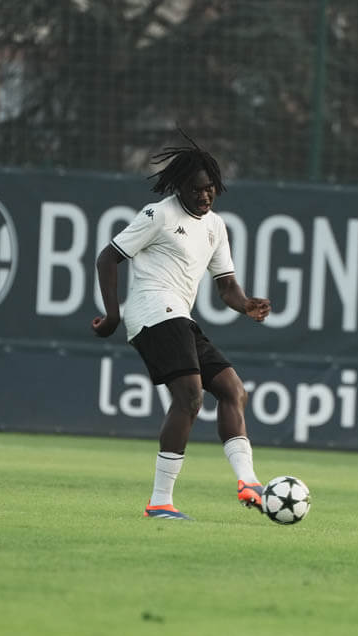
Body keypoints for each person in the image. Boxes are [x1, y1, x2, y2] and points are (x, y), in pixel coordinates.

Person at [92, 133, 271, 520]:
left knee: (233, 391)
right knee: (190, 397)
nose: (204, 196)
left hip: (178, 315)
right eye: (196, 189)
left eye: (210, 189)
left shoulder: (215, 226)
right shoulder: (158, 215)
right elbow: (108, 258)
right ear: (180, 188)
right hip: (151, 310)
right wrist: (112, 315)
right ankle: (160, 501)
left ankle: (248, 482)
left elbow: (226, 286)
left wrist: (246, 304)